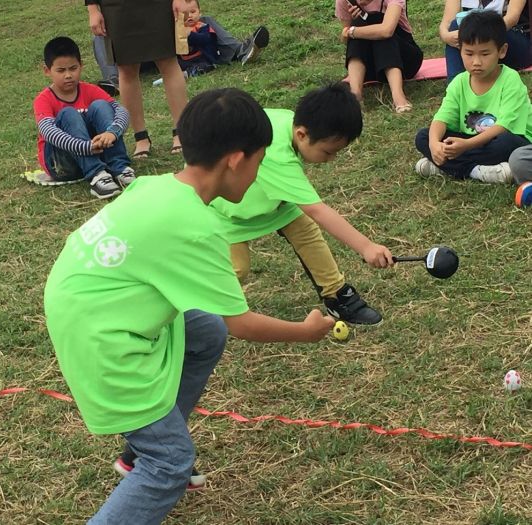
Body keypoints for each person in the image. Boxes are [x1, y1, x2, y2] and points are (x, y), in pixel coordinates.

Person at [43, 88, 336, 524]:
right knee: (170, 466)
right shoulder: (198, 226)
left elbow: (220, 322)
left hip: (78, 302)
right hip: (99, 337)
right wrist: (305, 331)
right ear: (236, 160)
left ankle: (144, 442)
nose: (258, 177)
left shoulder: (157, 185)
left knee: (204, 330)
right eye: (259, 163)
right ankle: (152, 450)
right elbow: (243, 323)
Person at [210, 83, 392, 326]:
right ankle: (201, 312)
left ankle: (336, 295)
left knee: (306, 233)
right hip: (229, 214)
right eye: (328, 152)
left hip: (276, 203)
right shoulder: (277, 154)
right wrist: (367, 247)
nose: (331, 159)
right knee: (236, 269)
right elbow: (317, 209)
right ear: (302, 135)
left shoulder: (290, 121)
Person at [414, 11, 532, 183]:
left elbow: (503, 127)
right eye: (469, 54)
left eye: (485, 54)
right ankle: (477, 171)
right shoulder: (459, 82)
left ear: (502, 51)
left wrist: (466, 146)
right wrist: (433, 144)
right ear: (460, 50)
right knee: (423, 137)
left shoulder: (510, 79)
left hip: (511, 139)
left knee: (505, 144)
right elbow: (442, 118)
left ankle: (447, 167)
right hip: (473, 142)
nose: (476, 61)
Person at [31, 37, 134, 199]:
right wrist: (84, 146)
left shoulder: (89, 89)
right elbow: (48, 131)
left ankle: (119, 167)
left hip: (96, 151)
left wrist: (112, 132)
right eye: (61, 70)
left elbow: (121, 111)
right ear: (47, 70)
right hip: (61, 163)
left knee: (101, 105)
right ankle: (97, 175)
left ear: (81, 66)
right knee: (68, 113)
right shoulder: (43, 99)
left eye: (73, 68)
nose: (68, 75)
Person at [86, 0, 188, 158]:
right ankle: (140, 137)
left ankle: (181, 132)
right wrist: (93, 9)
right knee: (126, 69)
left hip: (159, 5)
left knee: (168, 61)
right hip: (115, 8)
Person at [92, 23, 270, 93]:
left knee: (202, 20)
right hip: (137, 50)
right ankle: (114, 82)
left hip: (166, 43)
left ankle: (240, 51)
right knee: (100, 36)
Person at [335, 0, 423, 112]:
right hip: (371, 67)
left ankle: (398, 96)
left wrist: (353, 31)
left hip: (405, 60)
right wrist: (352, 27)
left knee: (379, 25)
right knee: (357, 24)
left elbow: (387, 30)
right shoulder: (345, 1)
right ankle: (355, 94)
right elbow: (346, 37)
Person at [439, 0, 532, 84]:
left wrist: (480, 31)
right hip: (478, 41)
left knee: (468, 28)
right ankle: (455, 86)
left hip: (514, 40)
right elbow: (447, 22)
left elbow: (512, 18)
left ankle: (457, 84)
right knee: (456, 26)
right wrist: (446, 36)